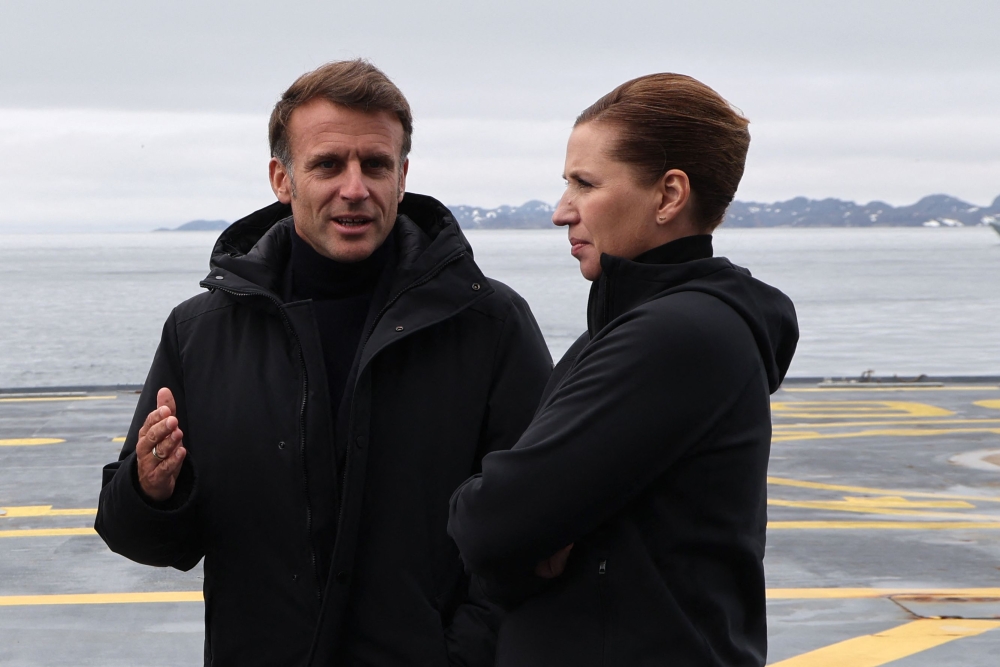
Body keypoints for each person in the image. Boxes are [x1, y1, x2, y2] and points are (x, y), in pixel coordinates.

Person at [95, 60, 552, 667]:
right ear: (282, 179)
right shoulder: (200, 332)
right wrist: (152, 491)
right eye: (329, 164)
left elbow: (541, 529)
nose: (355, 188)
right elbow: (144, 539)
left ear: (404, 175)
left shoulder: (491, 325)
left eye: (377, 164)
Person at [448, 73, 798, 666]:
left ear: (668, 196)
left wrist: (503, 525)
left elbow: (490, 524)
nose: (562, 212)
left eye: (585, 184)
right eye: (566, 184)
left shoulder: (675, 336)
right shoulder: (632, 330)